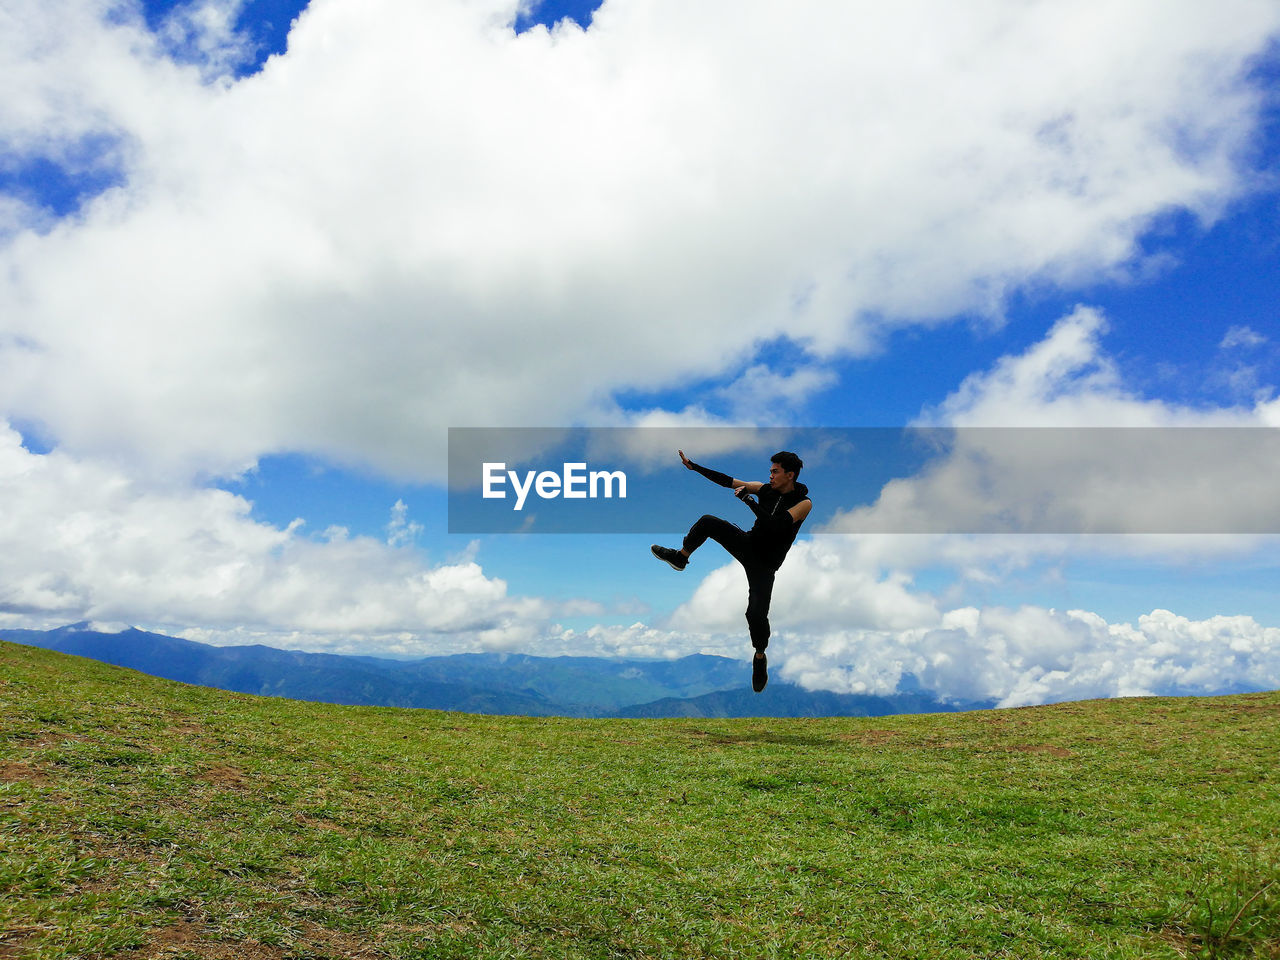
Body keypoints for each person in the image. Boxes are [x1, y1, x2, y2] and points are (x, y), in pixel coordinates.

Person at [651, 449, 812, 692]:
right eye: (770, 471)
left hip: (766, 563)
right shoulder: (763, 489)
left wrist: (748, 501)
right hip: (748, 545)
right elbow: (728, 481)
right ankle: (681, 558)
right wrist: (695, 467)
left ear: (790, 475)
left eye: (775, 472)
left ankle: (759, 657)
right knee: (708, 521)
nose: (770, 476)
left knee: (755, 614)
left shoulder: (804, 503)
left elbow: (777, 527)